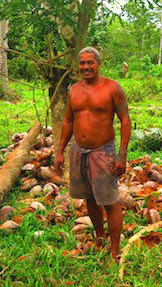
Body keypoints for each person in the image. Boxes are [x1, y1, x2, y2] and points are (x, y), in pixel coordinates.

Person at [54, 46, 131, 261]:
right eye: (82, 63)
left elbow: (125, 120)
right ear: (77, 66)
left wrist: (122, 156)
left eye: (90, 63)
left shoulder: (112, 88)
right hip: (79, 151)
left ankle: (115, 249)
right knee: (89, 197)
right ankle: (99, 236)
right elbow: (69, 120)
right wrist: (60, 151)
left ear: (98, 64)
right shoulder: (74, 90)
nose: (86, 67)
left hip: (103, 151)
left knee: (110, 200)